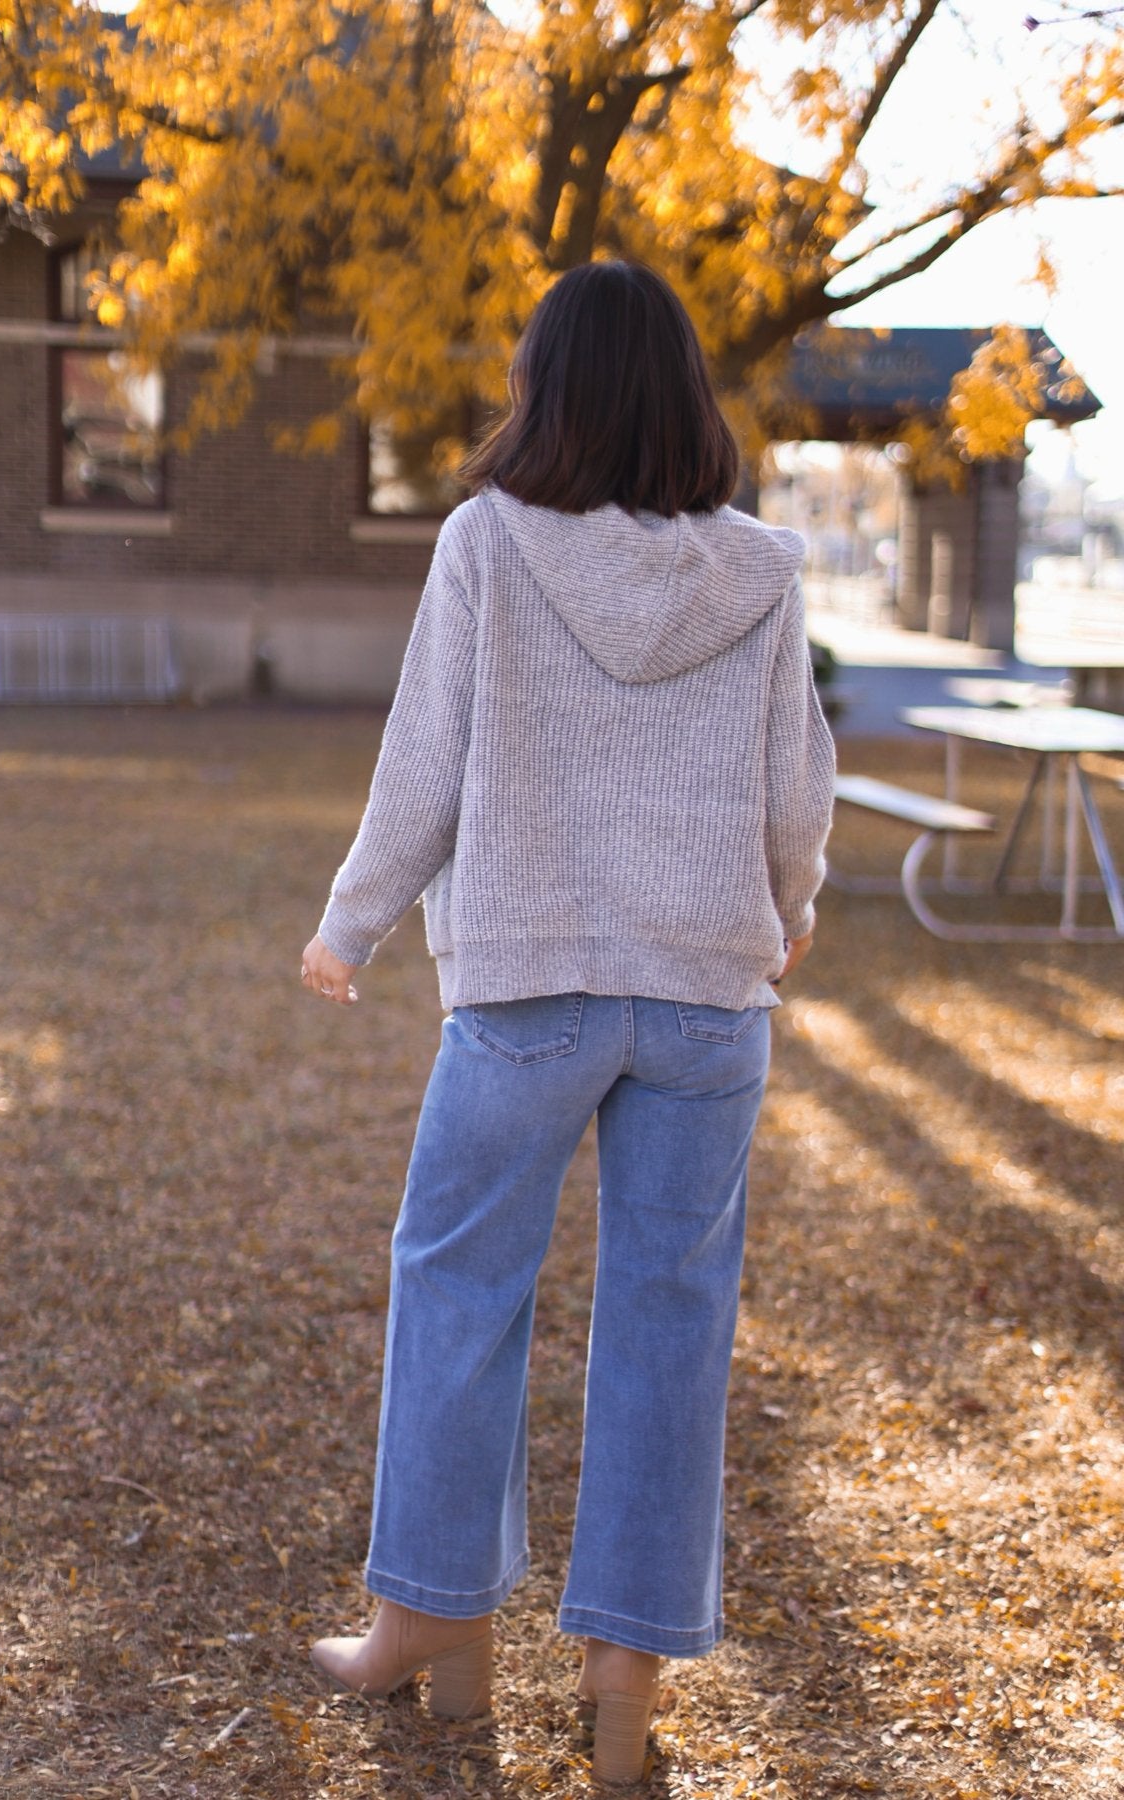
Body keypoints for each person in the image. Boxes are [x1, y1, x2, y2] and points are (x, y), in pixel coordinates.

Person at [300, 259, 834, 1785]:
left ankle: (433, 1630)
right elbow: (798, 788)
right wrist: (788, 911)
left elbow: (426, 764)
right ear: (683, 394)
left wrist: (350, 924)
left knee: (460, 1284)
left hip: (529, 986)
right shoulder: (766, 571)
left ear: (546, 394)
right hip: (707, 1002)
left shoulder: (488, 543)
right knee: (673, 1320)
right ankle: (624, 1683)